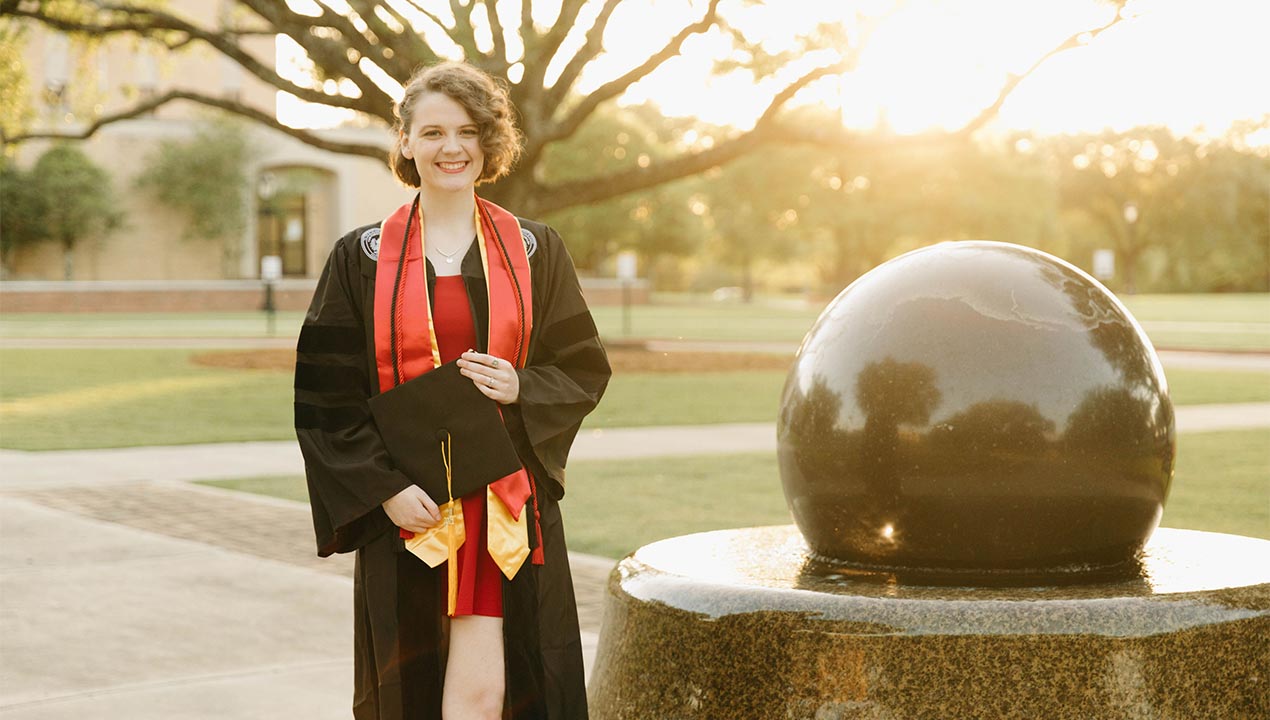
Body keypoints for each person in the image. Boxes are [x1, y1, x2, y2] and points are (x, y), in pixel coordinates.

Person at [294, 61, 610, 720]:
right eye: (433, 132)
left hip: (505, 504)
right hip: (409, 509)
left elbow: (582, 366)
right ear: (405, 142)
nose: (452, 148)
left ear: (489, 142)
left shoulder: (535, 250)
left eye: (467, 131)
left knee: (496, 692)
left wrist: (523, 385)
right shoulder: (359, 258)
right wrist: (381, 488)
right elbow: (326, 399)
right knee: (413, 689)